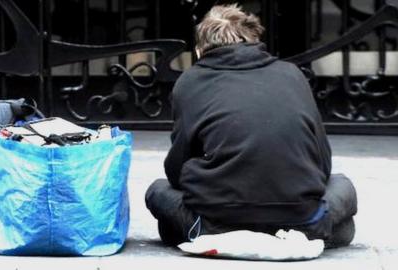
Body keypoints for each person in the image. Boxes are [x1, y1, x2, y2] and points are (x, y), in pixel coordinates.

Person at [145, 4, 357, 249]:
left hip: (214, 223)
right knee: (343, 187)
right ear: (255, 40)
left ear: (200, 50)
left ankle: (215, 235)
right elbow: (322, 162)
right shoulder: (292, 74)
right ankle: (303, 234)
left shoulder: (189, 81)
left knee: (158, 191)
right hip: (300, 219)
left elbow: (176, 170)